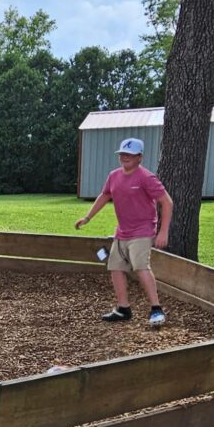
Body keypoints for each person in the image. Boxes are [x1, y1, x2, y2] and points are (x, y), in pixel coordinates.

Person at [75, 137, 173, 326]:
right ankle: (123, 308)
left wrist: (163, 232)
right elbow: (105, 195)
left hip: (143, 231)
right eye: (122, 154)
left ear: (139, 157)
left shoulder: (146, 177)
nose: (124, 157)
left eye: (129, 154)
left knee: (140, 267)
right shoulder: (114, 176)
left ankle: (156, 309)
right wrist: (87, 218)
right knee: (115, 267)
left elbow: (166, 202)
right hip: (122, 232)